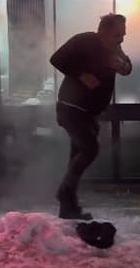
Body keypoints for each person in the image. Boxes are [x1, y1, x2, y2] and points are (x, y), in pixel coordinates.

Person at [50, 14, 132, 220]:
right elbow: (56, 59)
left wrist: (122, 66)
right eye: (117, 35)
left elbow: (128, 68)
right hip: (71, 108)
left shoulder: (115, 49)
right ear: (102, 32)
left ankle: (68, 207)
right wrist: (81, 74)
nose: (121, 40)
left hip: (89, 113)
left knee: (77, 155)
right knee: (89, 149)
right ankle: (64, 192)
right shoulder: (83, 41)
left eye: (123, 35)